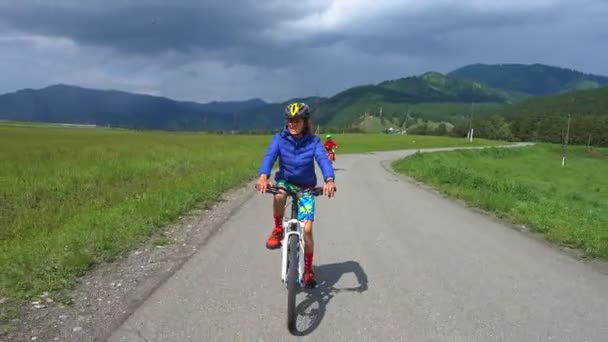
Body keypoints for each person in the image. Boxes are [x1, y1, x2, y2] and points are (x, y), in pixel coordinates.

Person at [256, 102, 336, 288]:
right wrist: (263, 176)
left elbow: (323, 159)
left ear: (305, 122)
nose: (293, 124)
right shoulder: (279, 138)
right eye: (290, 120)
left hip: (307, 186)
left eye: (297, 121)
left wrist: (329, 180)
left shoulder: (314, 141)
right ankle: (278, 229)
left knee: (307, 230)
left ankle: (308, 270)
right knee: (278, 195)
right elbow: (270, 156)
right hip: (286, 180)